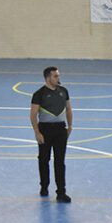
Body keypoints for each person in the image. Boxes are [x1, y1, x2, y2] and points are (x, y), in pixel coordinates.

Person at [30, 66, 72, 203]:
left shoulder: (64, 91)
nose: (58, 78)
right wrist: (37, 131)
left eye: (58, 75)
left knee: (60, 162)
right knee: (43, 159)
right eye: (55, 76)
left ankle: (61, 192)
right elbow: (33, 114)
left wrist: (70, 126)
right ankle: (44, 186)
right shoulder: (39, 94)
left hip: (60, 130)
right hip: (45, 130)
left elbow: (69, 109)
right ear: (48, 78)